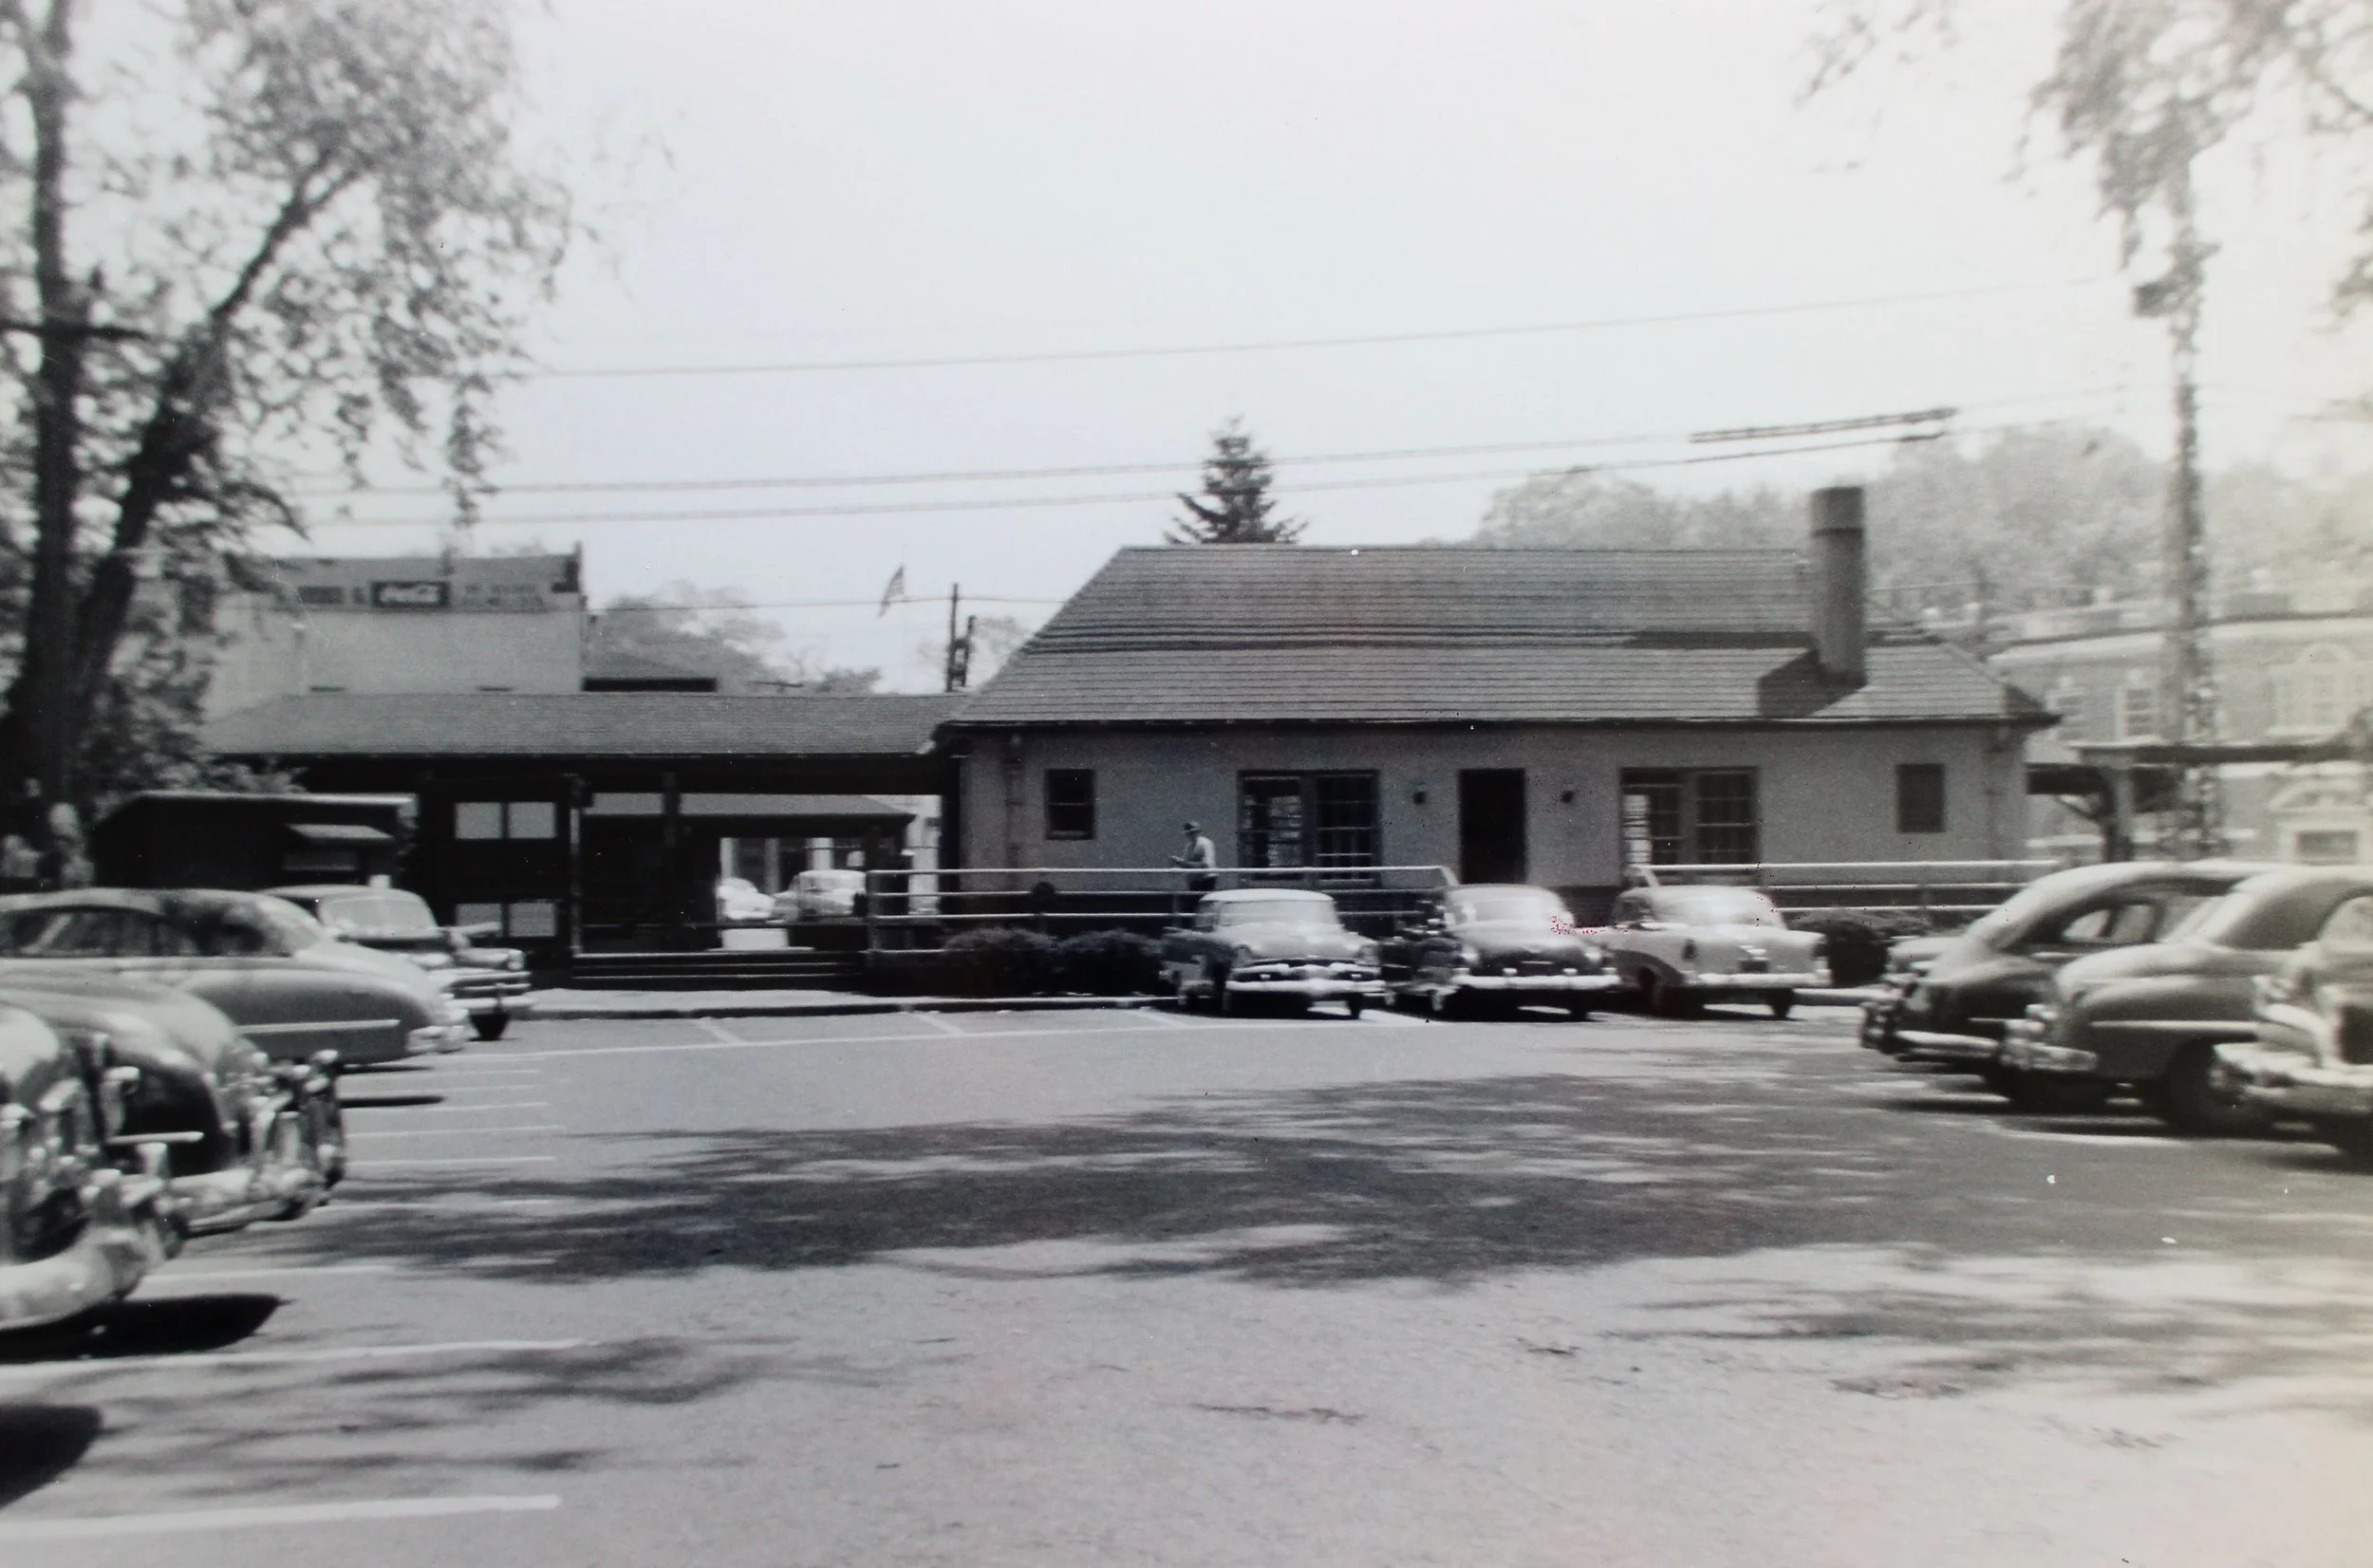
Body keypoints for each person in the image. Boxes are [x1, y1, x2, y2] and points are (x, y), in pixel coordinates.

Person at [1170, 821, 1218, 896]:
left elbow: (1206, 865)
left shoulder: (1206, 843)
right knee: (1191, 903)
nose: (1192, 835)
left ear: (1198, 832)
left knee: (1204, 902)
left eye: (1194, 832)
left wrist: (1184, 863)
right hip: (1194, 881)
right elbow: (1186, 864)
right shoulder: (1189, 846)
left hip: (1207, 879)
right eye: (1189, 833)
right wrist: (1178, 862)